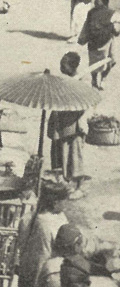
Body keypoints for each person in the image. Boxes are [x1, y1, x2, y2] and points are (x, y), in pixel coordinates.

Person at [17, 183, 71, 287]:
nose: (66, 205)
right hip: (46, 272)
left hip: (30, 269)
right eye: (65, 201)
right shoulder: (50, 221)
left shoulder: (29, 217)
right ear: (55, 202)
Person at [48, 53, 87, 199]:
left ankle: (79, 187)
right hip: (59, 121)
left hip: (73, 123)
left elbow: (85, 104)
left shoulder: (81, 82)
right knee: (59, 154)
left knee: (74, 156)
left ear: (74, 67)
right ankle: (63, 183)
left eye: (64, 67)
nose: (61, 69)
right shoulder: (62, 80)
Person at [78, 0, 119, 90]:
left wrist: (113, 28)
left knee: (111, 61)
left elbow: (117, 30)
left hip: (107, 42)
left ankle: (103, 78)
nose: (95, 3)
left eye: (98, 1)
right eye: (96, 1)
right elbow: (86, 25)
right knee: (94, 64)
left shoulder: (113, 14)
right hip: (94, 41)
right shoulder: (91, 13)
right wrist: (82, 38)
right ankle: (94, 80)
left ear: (105, 3)